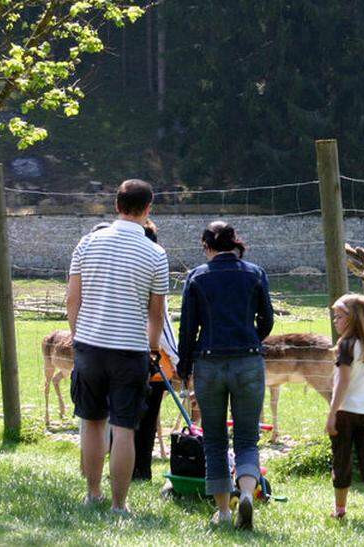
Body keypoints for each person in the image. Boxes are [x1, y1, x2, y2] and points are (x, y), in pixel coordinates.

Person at [67, 180, 169, 515]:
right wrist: (152, 347)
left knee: (93, 422)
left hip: (89, 346)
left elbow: (72, 300)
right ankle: (119, 504)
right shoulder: (155, 254)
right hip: (130, 350)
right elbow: (156, 314)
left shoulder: (87, 242)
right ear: (148, 208)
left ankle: (92, 493)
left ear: (116, 205)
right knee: (124, 428)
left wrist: (79, 335)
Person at [177, 221, 273, 530]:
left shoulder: (197, 277)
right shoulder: (255, 273)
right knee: (247, 437)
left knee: (214, 439)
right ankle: (246, 492)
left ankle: (223, 510)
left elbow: (188, 327)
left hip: (209, 362)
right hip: (248, 360)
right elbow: (267, 319)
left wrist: (184, 365)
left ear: (207, 246)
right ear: (234, 243)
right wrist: (251, 337)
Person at [325, 294, 364, 525]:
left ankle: (340, 510)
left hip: (345, 413)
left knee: (341, 461)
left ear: (352, 319)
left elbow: (342, 383)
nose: (335, 321)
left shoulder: (346, 345)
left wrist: (332, 414)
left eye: (339, 316)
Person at [133, 219, 180, 482]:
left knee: (124, 419)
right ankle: (141, 470)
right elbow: (162, 325)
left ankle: (122, 468)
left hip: (120, 357)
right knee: (147, 421)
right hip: (153, 365)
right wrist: (176, 360)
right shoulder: (154, 269)